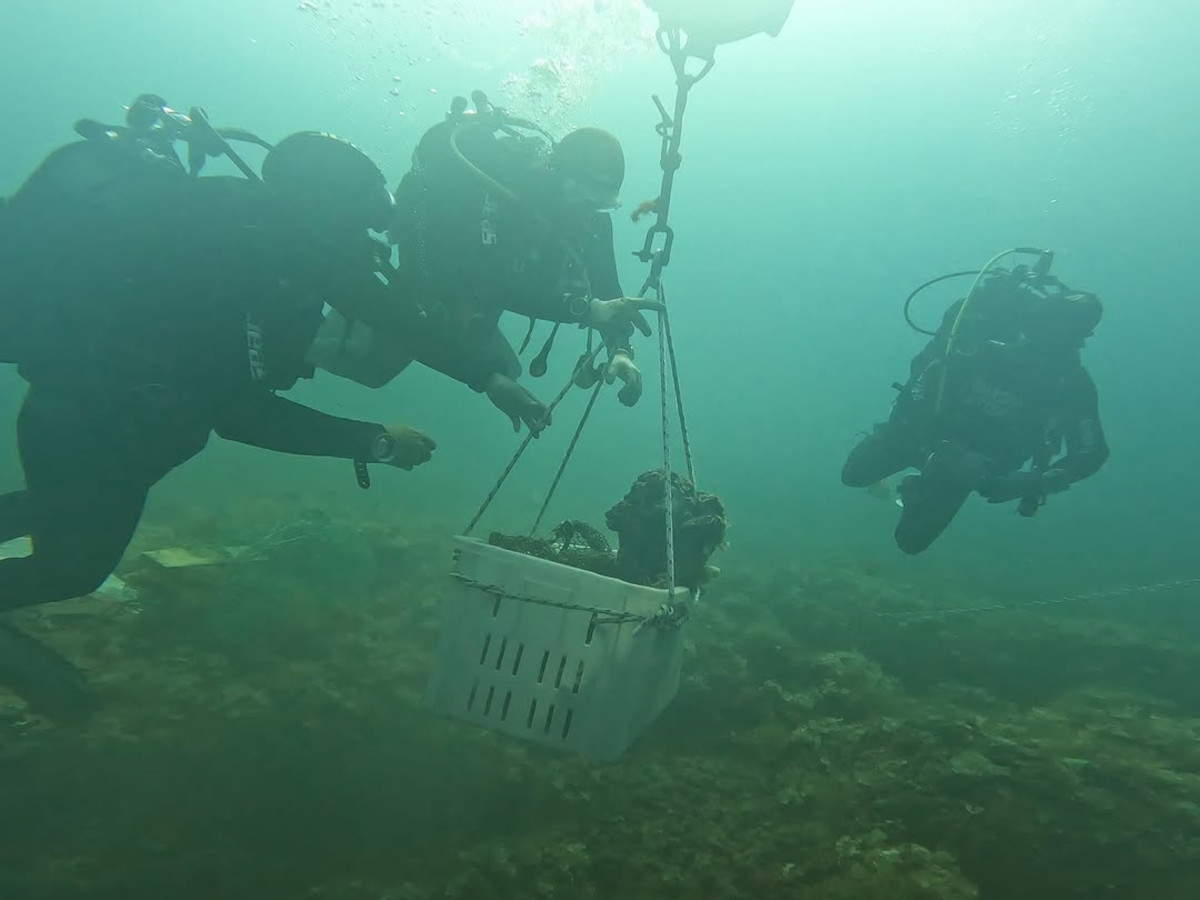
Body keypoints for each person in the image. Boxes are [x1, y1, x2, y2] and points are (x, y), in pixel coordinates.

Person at [0, 106, 434, 713]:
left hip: (89, 421)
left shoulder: (243, 242)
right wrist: (372, 443)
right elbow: (241, 413)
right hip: (97, 429)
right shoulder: (245, 264)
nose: (356, 253)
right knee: (70, 568)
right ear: (321, 217)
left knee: (57, 515)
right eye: (350, 232)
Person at [310, 95, 658, 434]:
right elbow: (478, 275)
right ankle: (319, 335)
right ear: (556, 173)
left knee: (502, 368)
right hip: (439, 275)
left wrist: (620, 351)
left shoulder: (591, 222)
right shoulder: (497, 195)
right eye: (582, 193)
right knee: (372, 361)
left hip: (487, 294)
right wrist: (583, 310)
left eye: (601, 201)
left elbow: (610, 296)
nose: (588, 207)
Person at [842, 262, 1109, 555]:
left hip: (967, 467)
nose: (1047, 335)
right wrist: (989, 297)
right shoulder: (976, 334)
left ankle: (916, 489)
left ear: (1078, 338)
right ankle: (905, 481)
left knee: (911, 542)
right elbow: (930, 360)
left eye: (1062, 329)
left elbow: (1090, 452)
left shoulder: (1070, 385)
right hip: (918, 432)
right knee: (853, 475)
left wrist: (1034, 482)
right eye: (1045, 321)